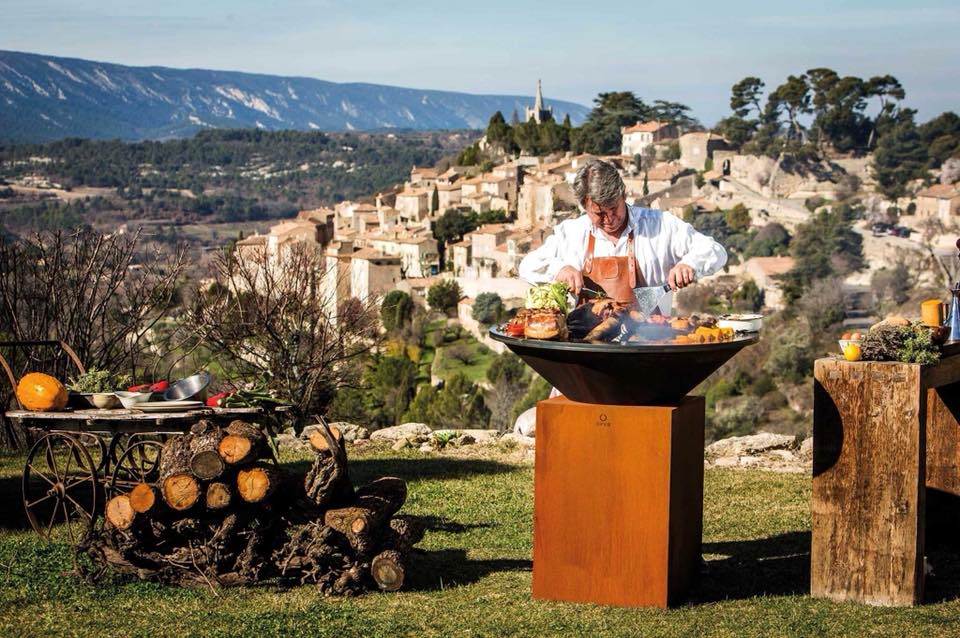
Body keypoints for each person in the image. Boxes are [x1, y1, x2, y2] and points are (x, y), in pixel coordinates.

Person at [518, 159, 727, 313]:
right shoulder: (571, 233)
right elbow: (527, 267)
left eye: (613, 208)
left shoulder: (661, 225)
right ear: (584, 206)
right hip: (588, 348)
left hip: (649, 345)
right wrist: (559, 269)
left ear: (623, 195)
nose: (609, 219)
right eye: (599, 214)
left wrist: (689, 264)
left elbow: (715, 251)